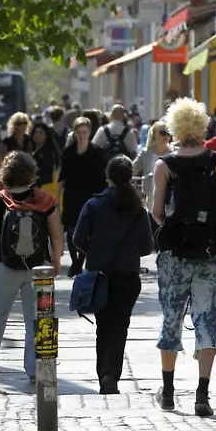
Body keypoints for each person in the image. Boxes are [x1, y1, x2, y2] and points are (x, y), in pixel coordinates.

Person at [151, 97, 216, 416]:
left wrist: (180, 226)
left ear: (174, 126)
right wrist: (211, 221)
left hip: (175, 255)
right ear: (202, 125)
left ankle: (167, 392)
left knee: (171, 321)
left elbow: (157, 212)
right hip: (210, 254)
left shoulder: (164, 165)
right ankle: (202, 395)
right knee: (207, 322)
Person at [73, 156, 153, 394]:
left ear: (107, 176)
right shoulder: (137, 208)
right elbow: (147, 247)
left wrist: (95, 251)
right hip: (128, 275)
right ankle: (112, 375)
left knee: (103, 327)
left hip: (100, 274)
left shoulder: (93, 205)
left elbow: (78, 239)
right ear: (130, 177)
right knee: (120, 326)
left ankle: (103, 374)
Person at [0, 151, 63, 383]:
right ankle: (35, 369)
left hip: (5, 267)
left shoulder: (0, 201)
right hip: (39, 269)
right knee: (36, 319)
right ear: (31, 174)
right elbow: (57, 236)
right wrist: (55, 263)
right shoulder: (45, 201)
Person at [58, 117, 107, 277]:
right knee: (71, 230)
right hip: (72, 195)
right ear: (75, 133)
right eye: (79, 132)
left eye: (85, 132)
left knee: (88, 231)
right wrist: (56, 197)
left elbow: (103, 178)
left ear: (90, 132)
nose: (82, 135)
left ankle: (81, 260)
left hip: (91, 196)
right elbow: (63, 176)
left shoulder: (97, 153)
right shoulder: (68, 152)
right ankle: (75, 261)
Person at [133, 121, 171, 209]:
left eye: (168, 133)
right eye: (162, 133)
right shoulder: (145, 152)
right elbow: (132, 169)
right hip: (149, 200)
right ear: (154, 135)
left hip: (169, 201)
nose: (166, 136)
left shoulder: (174, 153)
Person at [31, 123, 62, 200]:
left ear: (46, 136)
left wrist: (33, 185)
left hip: (43, 192)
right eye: (35, 132)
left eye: (41, 133)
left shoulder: (47, 154)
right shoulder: (34, 151)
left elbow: (47, 176)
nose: (37, 135)